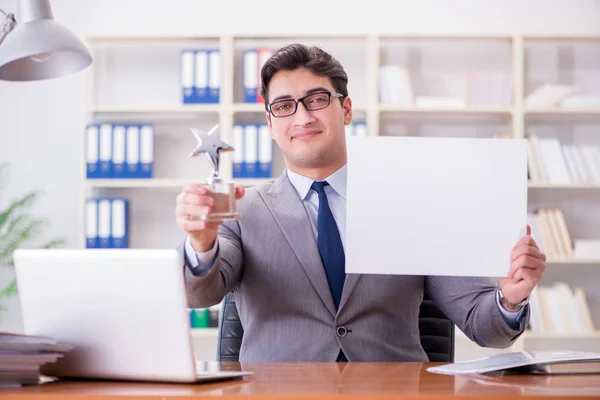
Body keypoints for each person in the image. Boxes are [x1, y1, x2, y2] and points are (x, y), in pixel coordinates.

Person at [175, 43, 546, 362]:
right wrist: (201, 243)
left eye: (317, 100)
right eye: (284, 106)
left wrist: (510, 300)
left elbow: (486, 327)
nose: (302, 117)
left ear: (346, 109)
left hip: (393, 391)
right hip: (278, 391)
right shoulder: (241, 210)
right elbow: (200, 293)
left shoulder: (412, 205)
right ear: (271, 124)